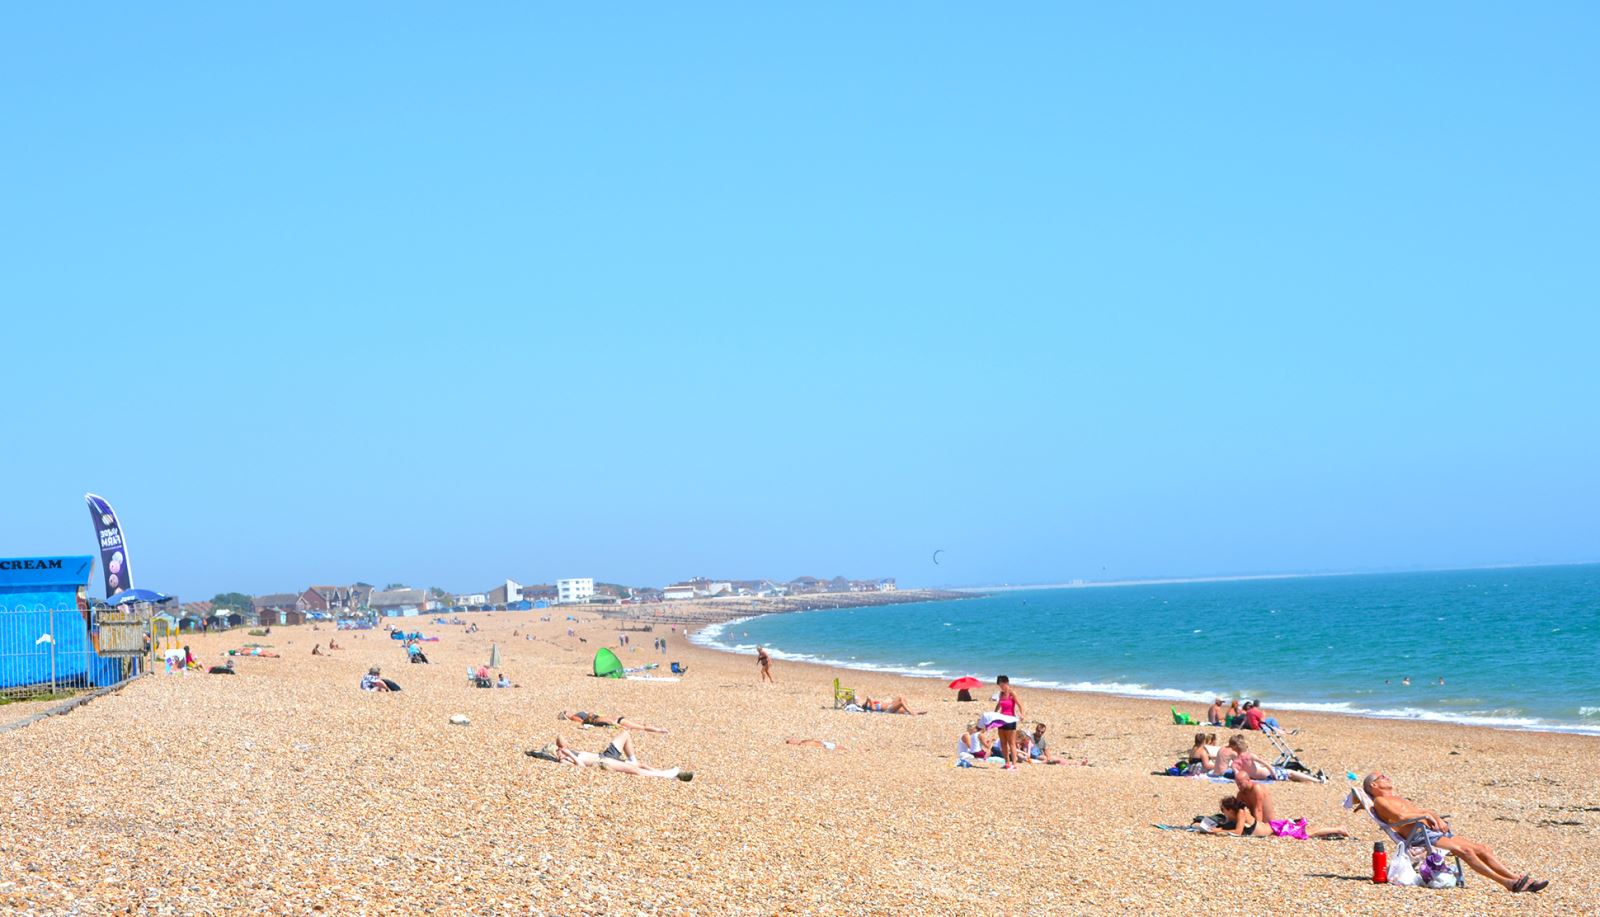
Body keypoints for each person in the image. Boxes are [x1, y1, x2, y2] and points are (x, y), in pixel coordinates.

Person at [1364, 773, 1547, 892]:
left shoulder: (1397, 797)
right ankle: (1507, 883)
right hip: (1419, 837)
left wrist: (1434, 816)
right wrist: (1428, 813)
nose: (1387, 776)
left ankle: (1516, 877)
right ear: (1374, 784)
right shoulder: (1380, 801)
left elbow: (1419, 813)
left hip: (1430, 831)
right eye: (1382, 776)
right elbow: (1401, 816)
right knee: (1466, 851)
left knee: (1482, 848)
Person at [1228, 770, 1349, 839]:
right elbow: (1240, 810)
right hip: (1271, 828)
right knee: (1307, 832)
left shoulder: (1256, 788)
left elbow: (1258, 809)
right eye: (1237, 783)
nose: (1239, 786)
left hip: (1272, 826)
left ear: (1248, 780)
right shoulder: (1241, 793)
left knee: (1307, 832)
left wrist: (1256, 829)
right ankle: (1337, 829)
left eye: (1241, 783)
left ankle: (1338, 828)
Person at [535, 735, 692, 780]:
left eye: (558, 749)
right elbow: (581, 767)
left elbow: (560, 737)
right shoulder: (564, 760)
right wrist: (567, 755)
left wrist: (561, 748)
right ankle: (667, 775)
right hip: (602, 762)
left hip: (605, 755)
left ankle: (634, 760)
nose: (560, 750)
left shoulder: (564, 750)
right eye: (556, 751)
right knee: (636, 771)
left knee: (625, 735)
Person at [994, 676, 1024, 770]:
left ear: (1006, 683)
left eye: (1002, 685)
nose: (1001, 687)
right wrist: (994, 714)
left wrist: (1022, 714)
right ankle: (1007, 762)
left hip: (1010, 719)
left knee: (1011, 743)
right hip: (1001, 719)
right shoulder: (1001, 694)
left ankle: (1014, 764)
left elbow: (1020, 705)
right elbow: (999, 704)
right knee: (1003, 742)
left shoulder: (1012, 693)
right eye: (1000, 686)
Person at [555, 710, 669, 733]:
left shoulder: (595, 719)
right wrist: (619, 727)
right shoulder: (575, 717)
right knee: (641, 727)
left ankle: (659, 730)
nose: (568, 711)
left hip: (617, 720)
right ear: (566, 716)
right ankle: (659, 730)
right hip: (617, 720)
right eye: (565, 713)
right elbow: (608, 721)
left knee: (641, 727)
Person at [859, 695, 924, 715]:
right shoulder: (873, 707)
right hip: (889, 709)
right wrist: (867, 701)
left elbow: (869, 699)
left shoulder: (872, 704)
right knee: (901, 702)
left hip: (891, 705)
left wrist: (867, 702)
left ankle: (911, 710)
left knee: (901, 697)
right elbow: (868, 697)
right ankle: (912, 712)